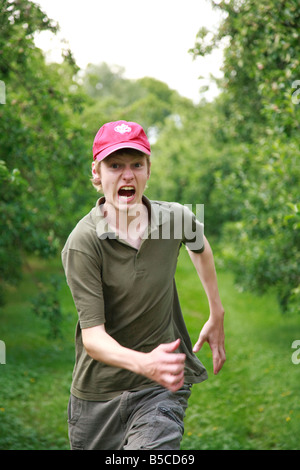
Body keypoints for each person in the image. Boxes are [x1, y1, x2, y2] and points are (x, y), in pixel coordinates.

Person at [62, 120, 225, 450]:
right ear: (97, 173)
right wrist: (145, 363)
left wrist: (216, 311)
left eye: (137, 164)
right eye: (115, 165)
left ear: (148, 170)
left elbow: (200, 247)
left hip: (159, 391)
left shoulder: (173, 219)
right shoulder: (84, 243)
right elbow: (94, 339)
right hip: (97, 398)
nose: (127, 175)